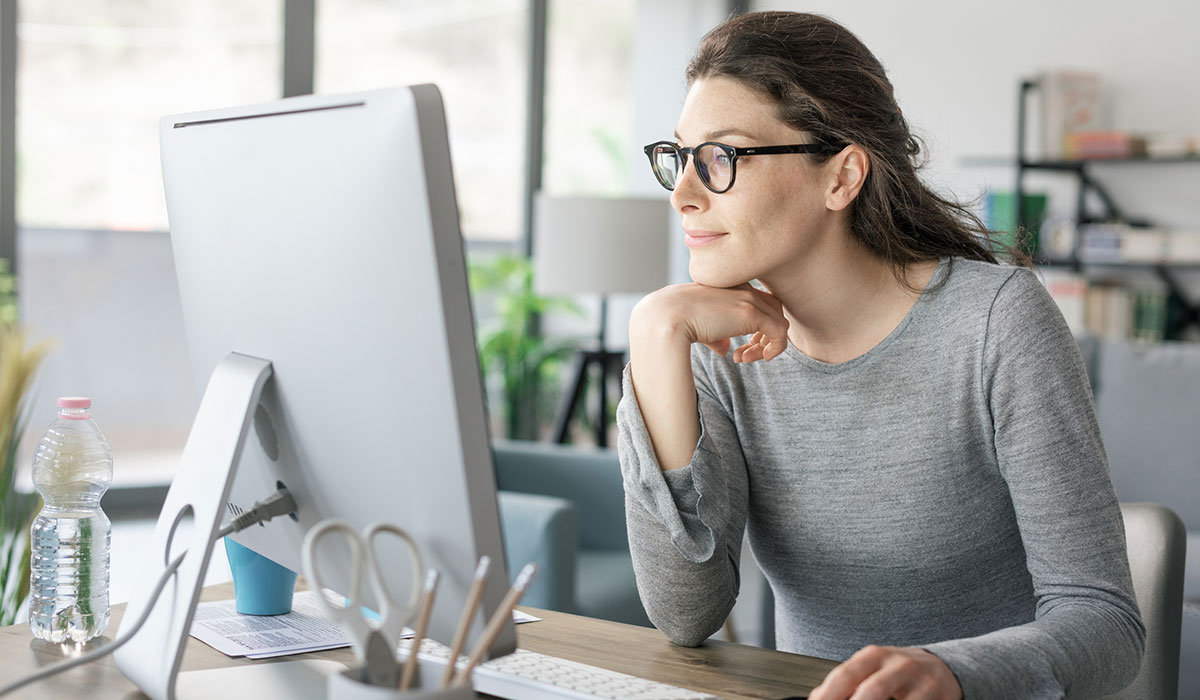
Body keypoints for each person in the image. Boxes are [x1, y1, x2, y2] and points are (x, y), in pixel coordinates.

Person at [616, 10, 1144, 700]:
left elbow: (1105, 624)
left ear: (842, 177)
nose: (684, 192)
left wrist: (952, 672)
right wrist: (655, 338)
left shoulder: (995, 323)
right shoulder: (716, 346)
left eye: (722, 158)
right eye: (681, 157)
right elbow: (686, 615)